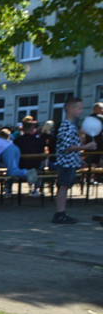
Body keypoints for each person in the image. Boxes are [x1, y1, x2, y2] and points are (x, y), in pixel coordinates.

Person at [52, 96, 95, 224]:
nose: (81, 111)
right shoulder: (66, 126)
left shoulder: (70, 125)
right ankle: (60, 213)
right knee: (63, 187)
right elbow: (67, 147)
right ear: (70, 109)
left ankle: (61, 212)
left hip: (70, 162)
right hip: (66, 163)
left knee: (65, 186)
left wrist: (79, 159)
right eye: (79, 108)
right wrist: (85, 147)